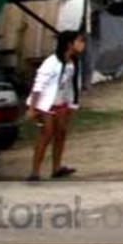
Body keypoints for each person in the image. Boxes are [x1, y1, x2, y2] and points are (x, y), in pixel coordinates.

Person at [27, 30, 86, 182]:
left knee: (61, 135)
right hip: (46, 105)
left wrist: (72, 105)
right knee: (46, 135)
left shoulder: (73, 62)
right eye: (79, 41)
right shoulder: (52, 62)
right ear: (69, 44)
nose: (82, 44)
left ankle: (56, 169)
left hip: (62, 103)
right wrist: (33, 108)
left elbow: (70, 85)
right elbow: (38, 85)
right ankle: (35, 172)